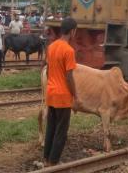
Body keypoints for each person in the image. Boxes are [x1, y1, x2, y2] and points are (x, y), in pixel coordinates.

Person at [44, 17, 78, 167]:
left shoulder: (51, 47)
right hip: (63, 97)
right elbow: (69, 76)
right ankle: (53, 162)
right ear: (72, 31)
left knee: (50, 128)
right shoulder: (69, 50)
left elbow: (48, 71)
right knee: (61, 132)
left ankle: (46, 158)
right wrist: (75, 95)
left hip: (51, 94)